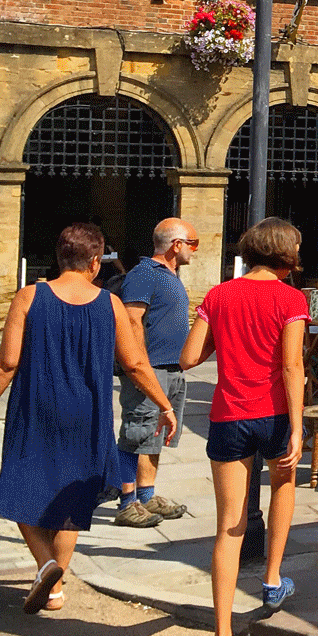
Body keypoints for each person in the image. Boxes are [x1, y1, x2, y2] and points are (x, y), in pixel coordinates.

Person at [0, 222, 176, 615]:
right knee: (72, 501)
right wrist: (164, 405)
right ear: (96, 262)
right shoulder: (110, 304)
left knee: (16, 489)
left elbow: (8, 362)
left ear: (60, 257)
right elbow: (134, 364)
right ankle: (57, 587)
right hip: (88, 415)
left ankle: (45, 565)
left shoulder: (29, 297)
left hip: (35, 411)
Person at [180, 217, 308, 636]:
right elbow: (292, 367)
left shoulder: (218, 295)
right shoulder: (291, 299)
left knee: (228, 526)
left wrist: (226, 340)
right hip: (272, 413)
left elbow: (189, 357)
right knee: (284, 488)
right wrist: (297, 426)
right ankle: (273, 580)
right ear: (286, 254)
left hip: (229, 416)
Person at [111, 217, 199, 527]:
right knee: (135, 434)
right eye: (193, 243)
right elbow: (132, 320)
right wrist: (139, 365)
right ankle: (127, 502)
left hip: (171, 369)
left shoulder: (169, 275)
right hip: (149, 370)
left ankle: (146, 496)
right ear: (177, 245)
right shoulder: (144, 274)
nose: (195, 250)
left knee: (155, 436)